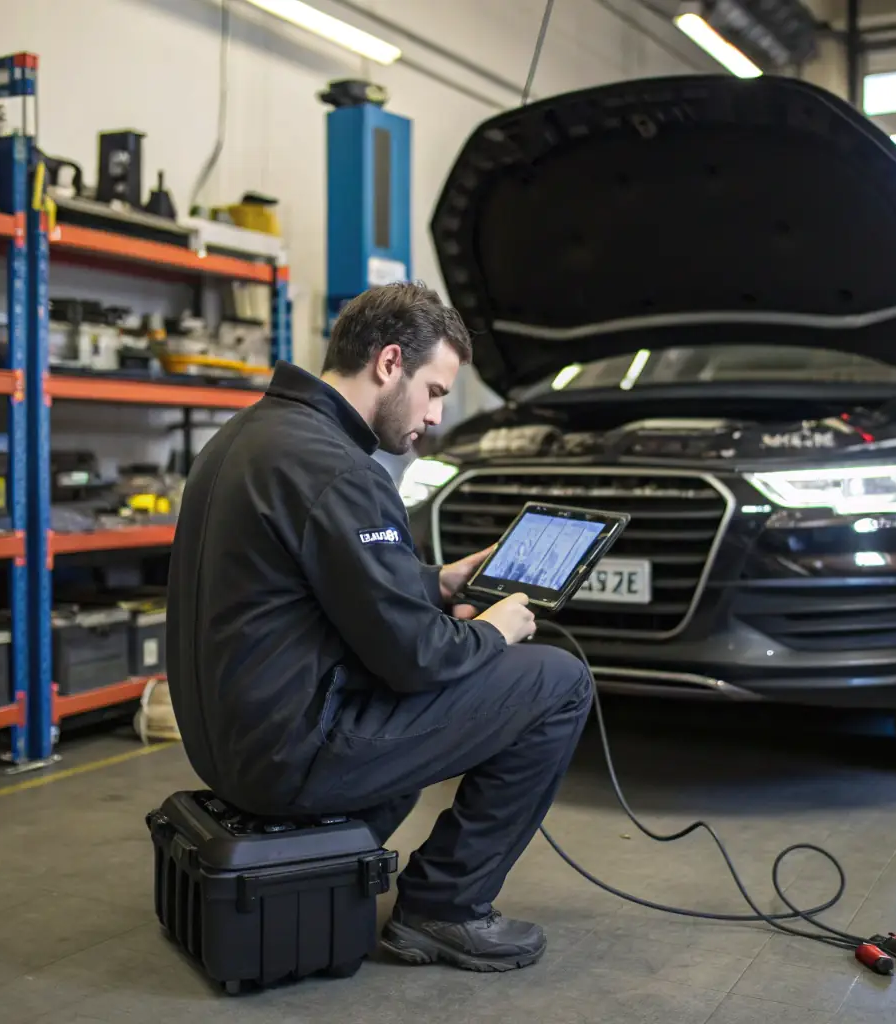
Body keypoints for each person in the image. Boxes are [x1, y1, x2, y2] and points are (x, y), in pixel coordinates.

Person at [165, 281, 593, 973]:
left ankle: (351, 862)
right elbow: (416, 661)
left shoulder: (248, 436)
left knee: (441, 665)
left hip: (228, 747)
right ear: (389, 363)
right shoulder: (340, 470)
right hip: (288, 758)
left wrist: (435, 580)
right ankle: (442, 910)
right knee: (556, 680)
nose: (436, 413)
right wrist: (496, 629)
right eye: (434, 389)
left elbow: (315, 586)